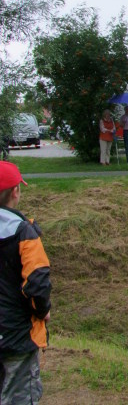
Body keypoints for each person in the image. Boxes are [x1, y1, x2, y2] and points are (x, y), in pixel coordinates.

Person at [0, 161, 52, 404]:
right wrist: (43, 311)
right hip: (17, 337)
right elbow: (37, 284)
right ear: (15, 192)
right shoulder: (24, 233)